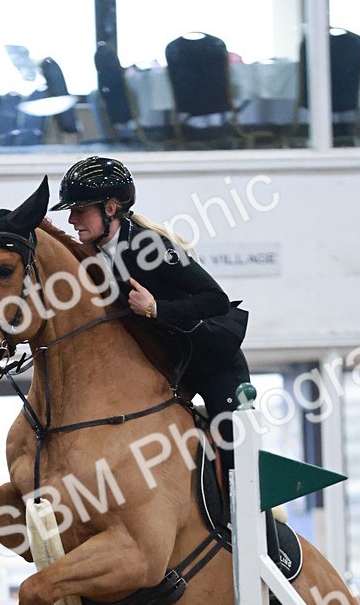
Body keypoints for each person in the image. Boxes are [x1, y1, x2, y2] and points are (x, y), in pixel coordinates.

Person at [50, 154, 251, 488]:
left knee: (232, 447)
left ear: (110, 209)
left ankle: (251, 519)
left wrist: (157, 308)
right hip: (165, 362)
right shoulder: (93, 252)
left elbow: (215, 299)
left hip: (212, 361)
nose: (71, 219)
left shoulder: (152, 246)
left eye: (80, 210)